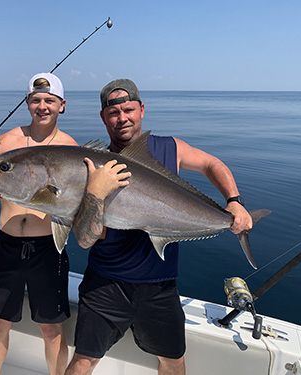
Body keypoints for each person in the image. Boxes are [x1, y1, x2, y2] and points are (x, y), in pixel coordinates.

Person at [65, 79, 253, 375]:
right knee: (83, 361)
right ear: (103, 117)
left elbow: (211, 164)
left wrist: (234, 202)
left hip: (160, 286)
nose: (122, 118)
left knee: (173, 362)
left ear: (141, 110)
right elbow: (86, 239)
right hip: (105, 284)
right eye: (113, 113)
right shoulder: (93, 166)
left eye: (128, 109)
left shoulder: (170, 148)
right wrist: (95, 193)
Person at [0, 72, 78, 375]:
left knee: (51, 330)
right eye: (36, 100)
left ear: (62, 105)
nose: (42, 106)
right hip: (7, 246)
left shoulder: (69, 148)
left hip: (48, 247)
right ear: (27, 103)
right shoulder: (4, 143)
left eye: (49, 100)